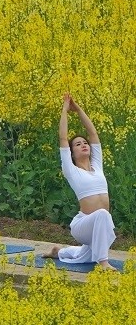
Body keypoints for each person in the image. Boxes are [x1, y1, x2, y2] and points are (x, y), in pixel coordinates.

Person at [43, 94, 117, 271]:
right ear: (71, 152)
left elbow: (93, 133)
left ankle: (59, 252)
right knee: (103, 214)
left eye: (85, 143)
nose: (84, 144)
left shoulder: (97, 166)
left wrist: (78, 109)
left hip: (99, 226)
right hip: (82, 226)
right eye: (77, 144)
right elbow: (62, 138)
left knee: (87, 255)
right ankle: (103, 263)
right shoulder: (71, 170)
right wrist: (65, 109)